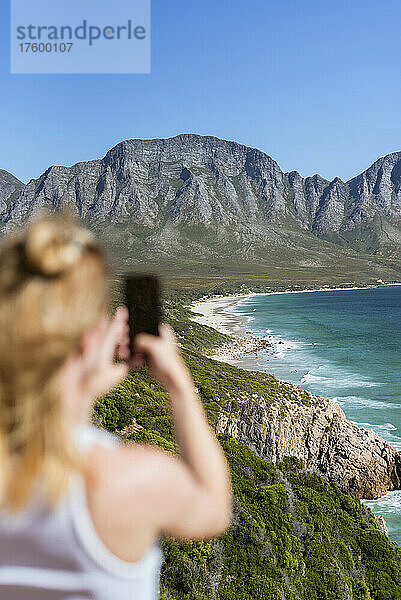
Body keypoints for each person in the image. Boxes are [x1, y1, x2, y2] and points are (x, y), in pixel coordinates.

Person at [0, 208, 232, 599]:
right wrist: (178, 383)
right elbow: (214, 505)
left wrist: (87, 384)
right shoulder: (122, 481)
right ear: (89, 339)